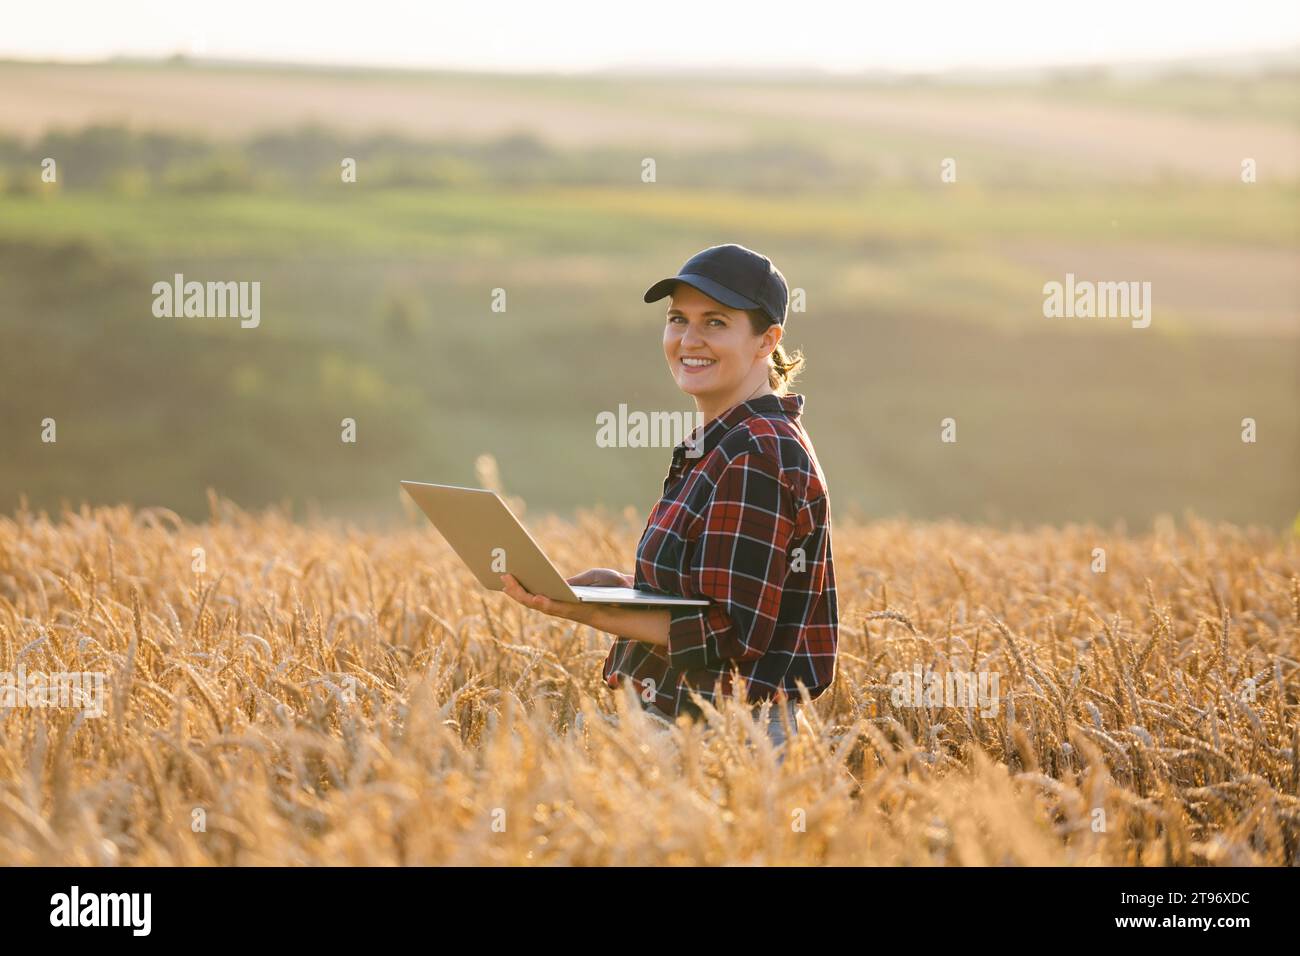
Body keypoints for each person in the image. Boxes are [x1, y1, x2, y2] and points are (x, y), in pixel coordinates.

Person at [500, 243, 839, 759]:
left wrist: (585, 612)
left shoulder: (756, 452)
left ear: (767, 340)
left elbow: (729, 633)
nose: (689, 339)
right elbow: (715, 592)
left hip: (726, 742)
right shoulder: (725, 442)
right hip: (685, 732)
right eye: (678, 318)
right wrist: (621, 590)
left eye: (716, 322)